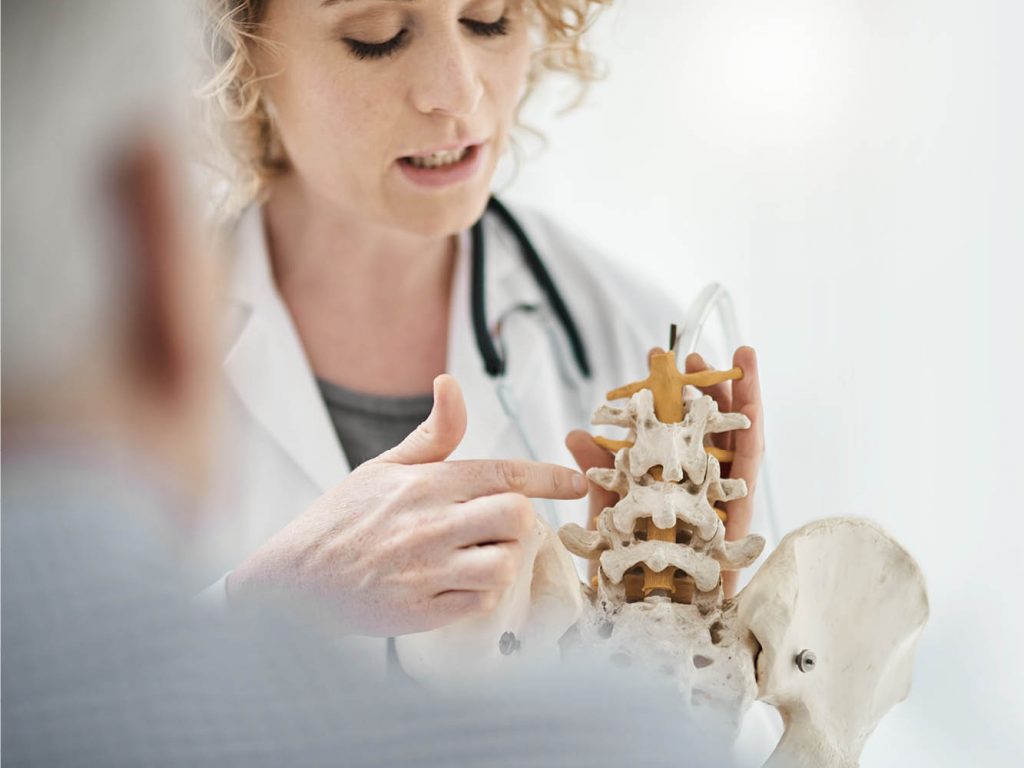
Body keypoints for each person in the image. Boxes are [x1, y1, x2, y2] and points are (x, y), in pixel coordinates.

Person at [197, 0, 765, 681]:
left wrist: (679, 670)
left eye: (490, 19)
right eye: (375, 38)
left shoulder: (636, 342)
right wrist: (271, 607)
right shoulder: (87, 359)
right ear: (232, 50)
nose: (458, 89)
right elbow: (43, 722)